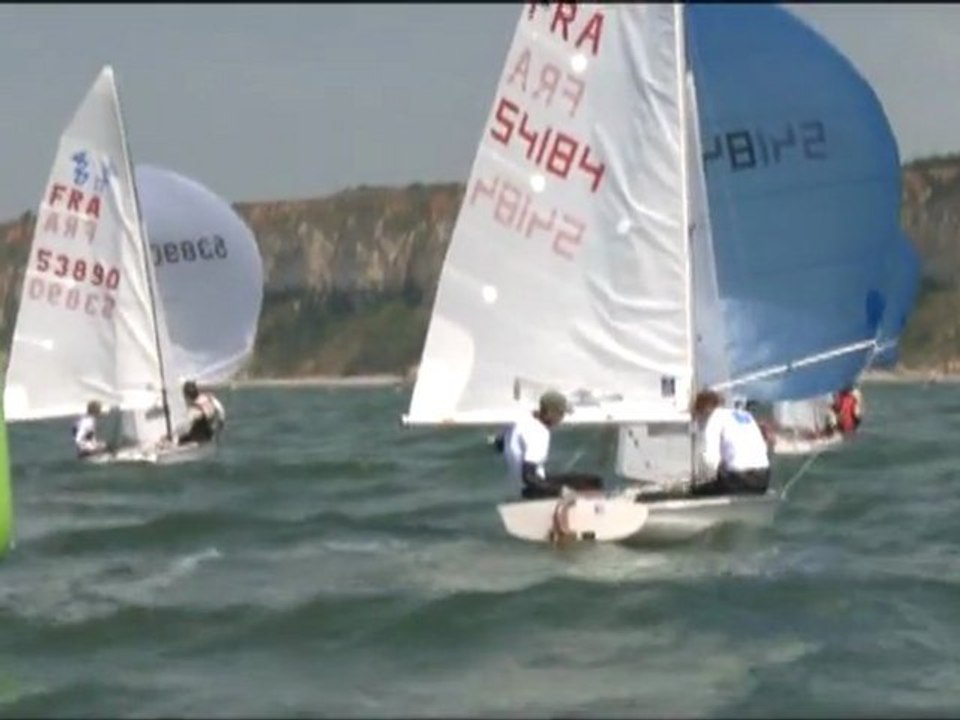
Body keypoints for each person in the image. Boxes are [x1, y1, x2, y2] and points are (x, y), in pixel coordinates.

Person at [492, 389, 604, 500]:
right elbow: (528, 477)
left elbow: (499, 443)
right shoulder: (539, 434)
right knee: (594, 483)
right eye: (560, 414)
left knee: (585, 479)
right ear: (549, 413)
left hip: (515, 482)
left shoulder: (521, 418)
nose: (561, 418)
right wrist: (560, 491)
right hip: (531, 488)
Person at [690, 390, 770, 496]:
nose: (699, 420)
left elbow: (711, 460)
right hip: (763, 479)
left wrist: (700, 479)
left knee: (695, 491)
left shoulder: (715, 417)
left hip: (740, 480)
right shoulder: (745, 414)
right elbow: (762, 448)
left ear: (705, 409)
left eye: (698, 415)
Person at [177, 380, 226, 445]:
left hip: (198, 440)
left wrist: (172, 435)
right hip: (209, 434)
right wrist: (219, 427)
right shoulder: (209, 398)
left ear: (187, 396)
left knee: (177, 439)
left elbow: (184, 428)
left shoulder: (194, 410)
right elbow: (221, 411)